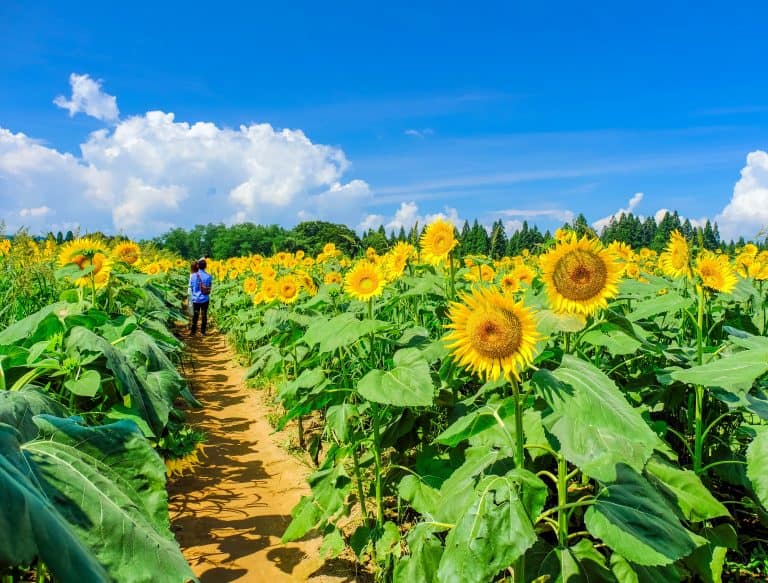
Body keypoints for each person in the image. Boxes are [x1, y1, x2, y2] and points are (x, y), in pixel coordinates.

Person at [189, 258, 213, 336]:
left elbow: (191, 287)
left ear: (198, 266)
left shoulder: (193, 276)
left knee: (195, 315)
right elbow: (209, 287)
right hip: (205, 299)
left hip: (195, 299)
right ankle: (203, 332)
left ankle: (193, 332)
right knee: (204, 315)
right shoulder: (209, 276)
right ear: (205, 266)